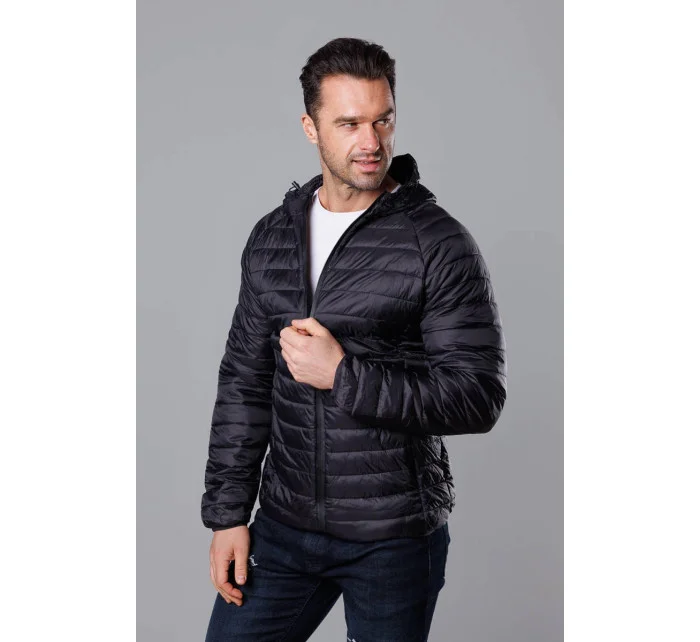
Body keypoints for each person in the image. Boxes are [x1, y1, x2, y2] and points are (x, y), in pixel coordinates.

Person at [201, 37, 507, 642]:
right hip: (284, 527)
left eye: (382, 120)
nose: (371, 142)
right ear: (310, 127)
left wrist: (343, 375)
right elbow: (244, 383)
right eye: (349, 124)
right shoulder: (273, 237)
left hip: (392, 537)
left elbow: (477, 396)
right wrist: (228, 515)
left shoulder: (437, 243)